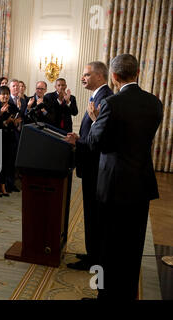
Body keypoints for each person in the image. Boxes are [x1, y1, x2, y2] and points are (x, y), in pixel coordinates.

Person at [66, 54, 163, 300]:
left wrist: (97, 120)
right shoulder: (154, 102)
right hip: (141, 184)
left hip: (114, 185)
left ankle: (106, 296)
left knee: (110, 246)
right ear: (137, 73)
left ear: (114, 76)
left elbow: (98, 142)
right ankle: (128, 293)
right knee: (133, 245)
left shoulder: (112, 104)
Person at [67, 61, 114, 272]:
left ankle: (94, 258)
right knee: (91, 214)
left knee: (94, 215)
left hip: (96, 167)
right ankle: (92, 252)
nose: (82, 78)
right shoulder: (97, 96)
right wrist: (81, 137)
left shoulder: (105, 98)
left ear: (100, 76)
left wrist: (80, 141)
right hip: (91, 165)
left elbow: (101, 137)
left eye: (86, 74)